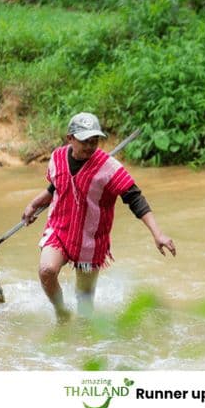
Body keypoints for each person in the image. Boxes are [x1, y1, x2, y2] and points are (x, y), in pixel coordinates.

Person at [22, 112, 176, 322]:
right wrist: (34, 204)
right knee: (47, 270)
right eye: (84, 141)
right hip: (59, 230)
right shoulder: (57, 158)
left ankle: (84, 342)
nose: (89, 146)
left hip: (89, 242)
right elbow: (56, 187)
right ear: (70, 139)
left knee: (85, 305)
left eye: (94, 141)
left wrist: (157, 234)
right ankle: (61, 313)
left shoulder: (108, 167)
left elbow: (134, 197)